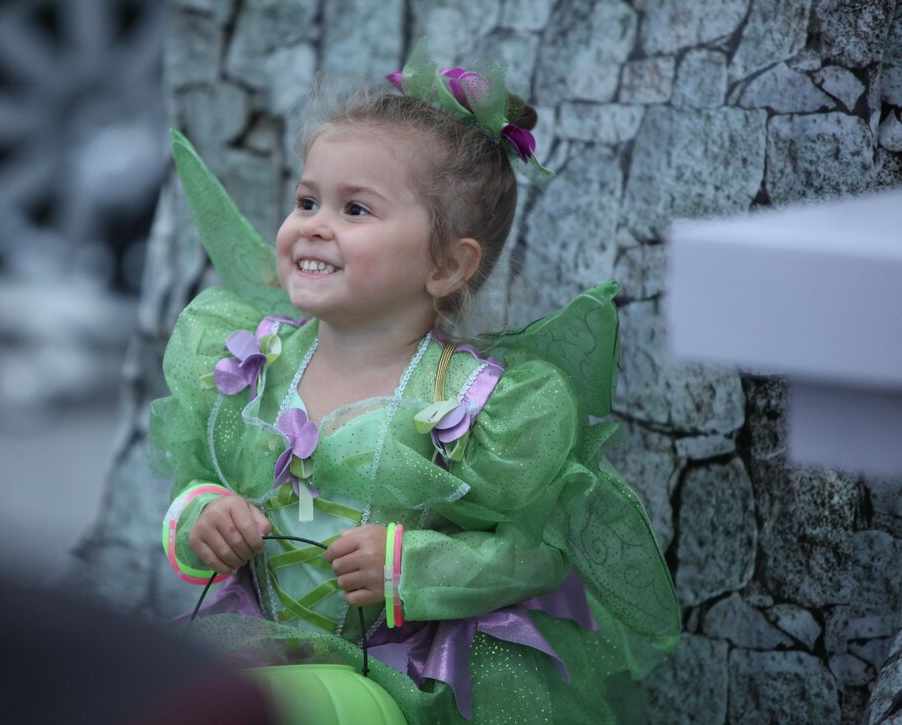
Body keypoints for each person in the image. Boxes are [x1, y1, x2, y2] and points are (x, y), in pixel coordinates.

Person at [151, 39, 680, 723]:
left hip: (402, 676)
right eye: (307, 199)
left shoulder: (471, 403)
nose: (313, 226)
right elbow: (189, 478)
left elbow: (536, 557)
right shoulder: (255, 364)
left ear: (446, 267)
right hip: (257, 648)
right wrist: (202, 517)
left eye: (355, 210)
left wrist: (413, 566)